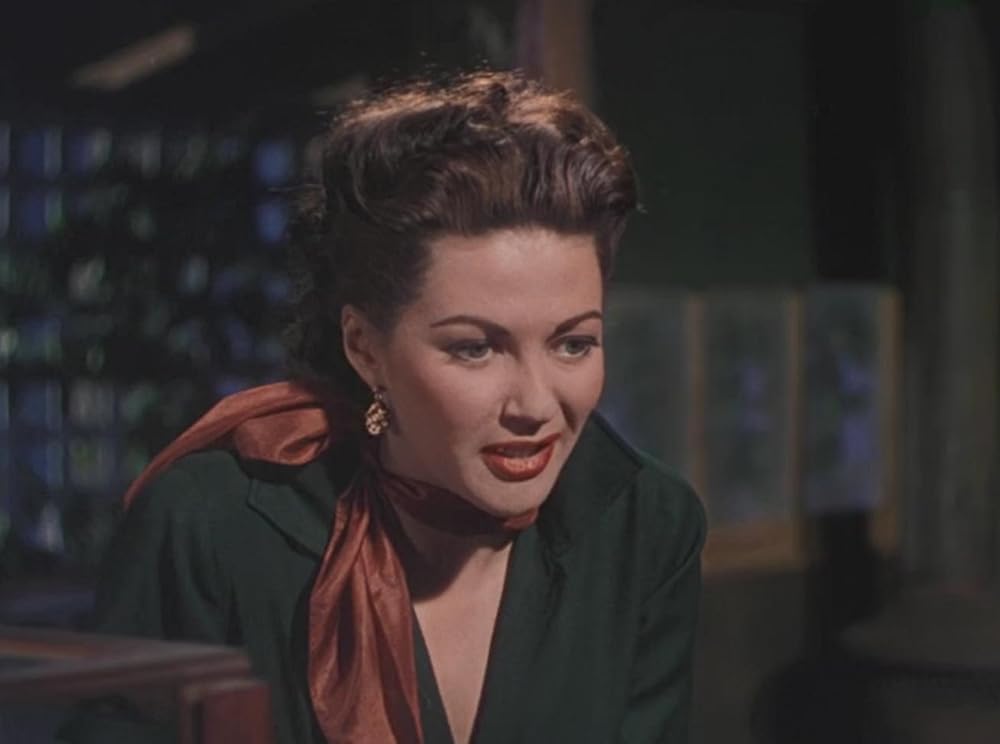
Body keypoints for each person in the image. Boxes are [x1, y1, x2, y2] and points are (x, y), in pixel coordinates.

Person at [59, 70, 705, 744]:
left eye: (573, 344)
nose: (536, 405)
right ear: (365, 348)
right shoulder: (208, 526)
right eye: (475, 349)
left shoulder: (647, 524)